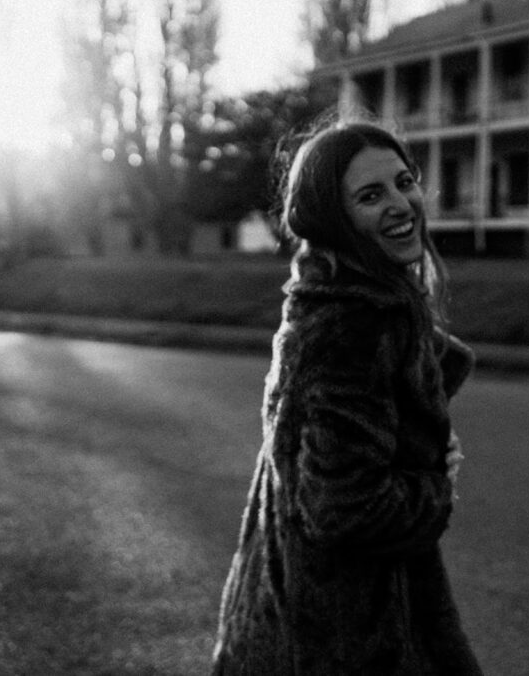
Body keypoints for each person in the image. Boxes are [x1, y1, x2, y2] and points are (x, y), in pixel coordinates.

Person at [211, 120, 482, 675]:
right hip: (341, 634)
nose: (401, 203)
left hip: (312, 611)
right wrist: (435, 486)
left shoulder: (348, 307)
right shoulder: (349, 329)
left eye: (404, 181)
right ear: (334, 219)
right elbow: (343, 509)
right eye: (370, 195)